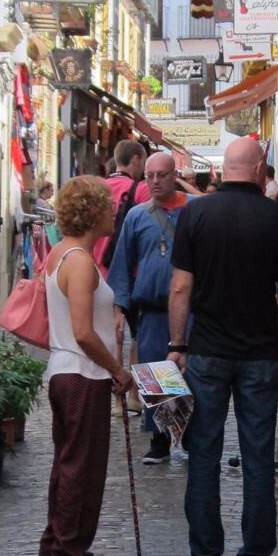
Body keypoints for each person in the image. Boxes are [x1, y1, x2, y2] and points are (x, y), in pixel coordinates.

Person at [167, 138, 278, 556]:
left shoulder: (195, 214)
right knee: (258, 456)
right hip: (259, 355)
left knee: (204, 455)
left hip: (206, 352)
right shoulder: (277, 218)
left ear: (224, 169)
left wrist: (177, 344)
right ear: (262, 168)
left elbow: (180, 289)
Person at [37, 176, 134, 556]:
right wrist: (117, 369)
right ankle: (68, 554)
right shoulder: (78, 261)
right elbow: (82, 330)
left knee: (67, 462)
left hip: (68, 370)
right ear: (94, 212)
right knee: (82, 467)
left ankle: (55, 545)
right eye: (109, 205)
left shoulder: (63, 253)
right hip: (82, 372)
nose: (115, 211)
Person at [108, 152, 194, 464]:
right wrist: (119, 308)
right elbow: (121, 265)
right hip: (154, 311)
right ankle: (160, 439)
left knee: (191, 376)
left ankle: (191, 438)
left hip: (194, 311)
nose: (155, 181)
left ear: (175, 175)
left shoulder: (196, 210)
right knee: (157, 377)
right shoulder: (136, 216)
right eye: (149, 176)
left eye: (161, 175)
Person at [93, 139, 150, 274]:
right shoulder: (141, 190)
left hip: (93, 270)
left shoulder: (95, 187)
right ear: (136, 159)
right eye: (144, 162)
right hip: (124, 272)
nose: (143, 168)